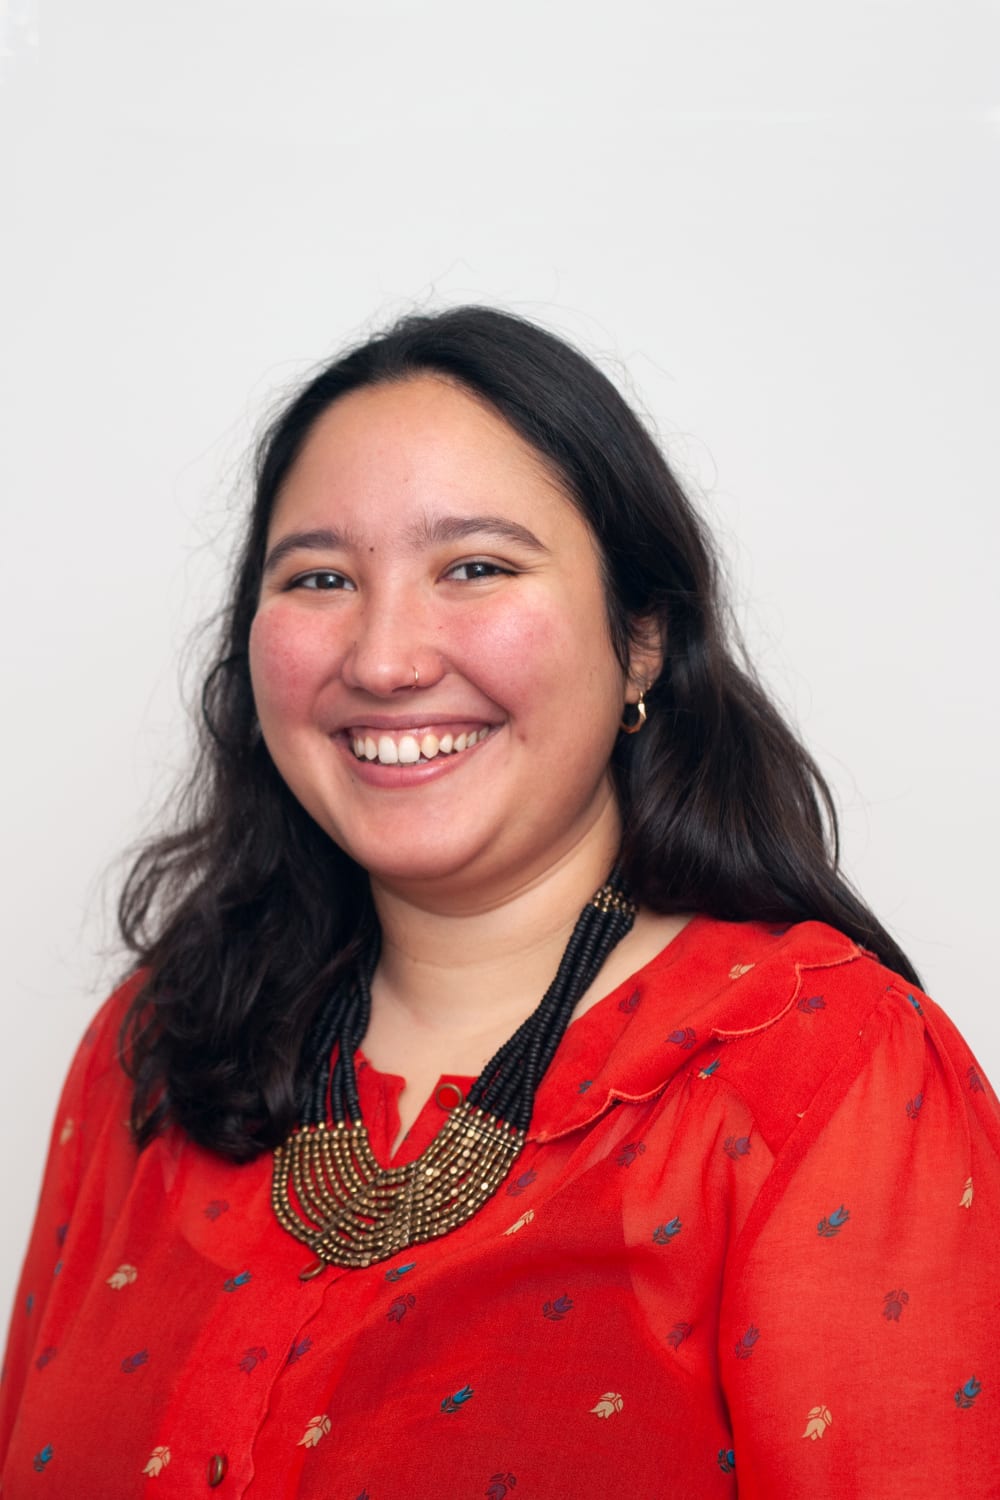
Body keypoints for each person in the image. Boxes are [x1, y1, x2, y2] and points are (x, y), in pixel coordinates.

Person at [1, 307, 997, 1499]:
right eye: (319, 577)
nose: (383, 659)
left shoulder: (816, 1073)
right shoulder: (153, 1048)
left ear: (641, 640)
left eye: (474, 567)